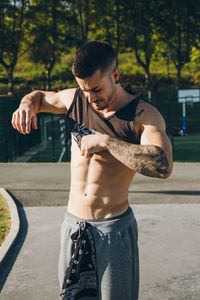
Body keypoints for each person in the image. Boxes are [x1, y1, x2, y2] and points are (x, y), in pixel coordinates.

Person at [12, 41, 173, 300]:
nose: (90, 97)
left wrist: (107, 142)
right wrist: (27, 105)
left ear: (116, 75)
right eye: (84, 89)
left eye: (96, 89)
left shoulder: (142, 115)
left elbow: (163, 165)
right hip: (74, 227)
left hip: (114, 231)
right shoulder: (75, 99)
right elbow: (40, 96)